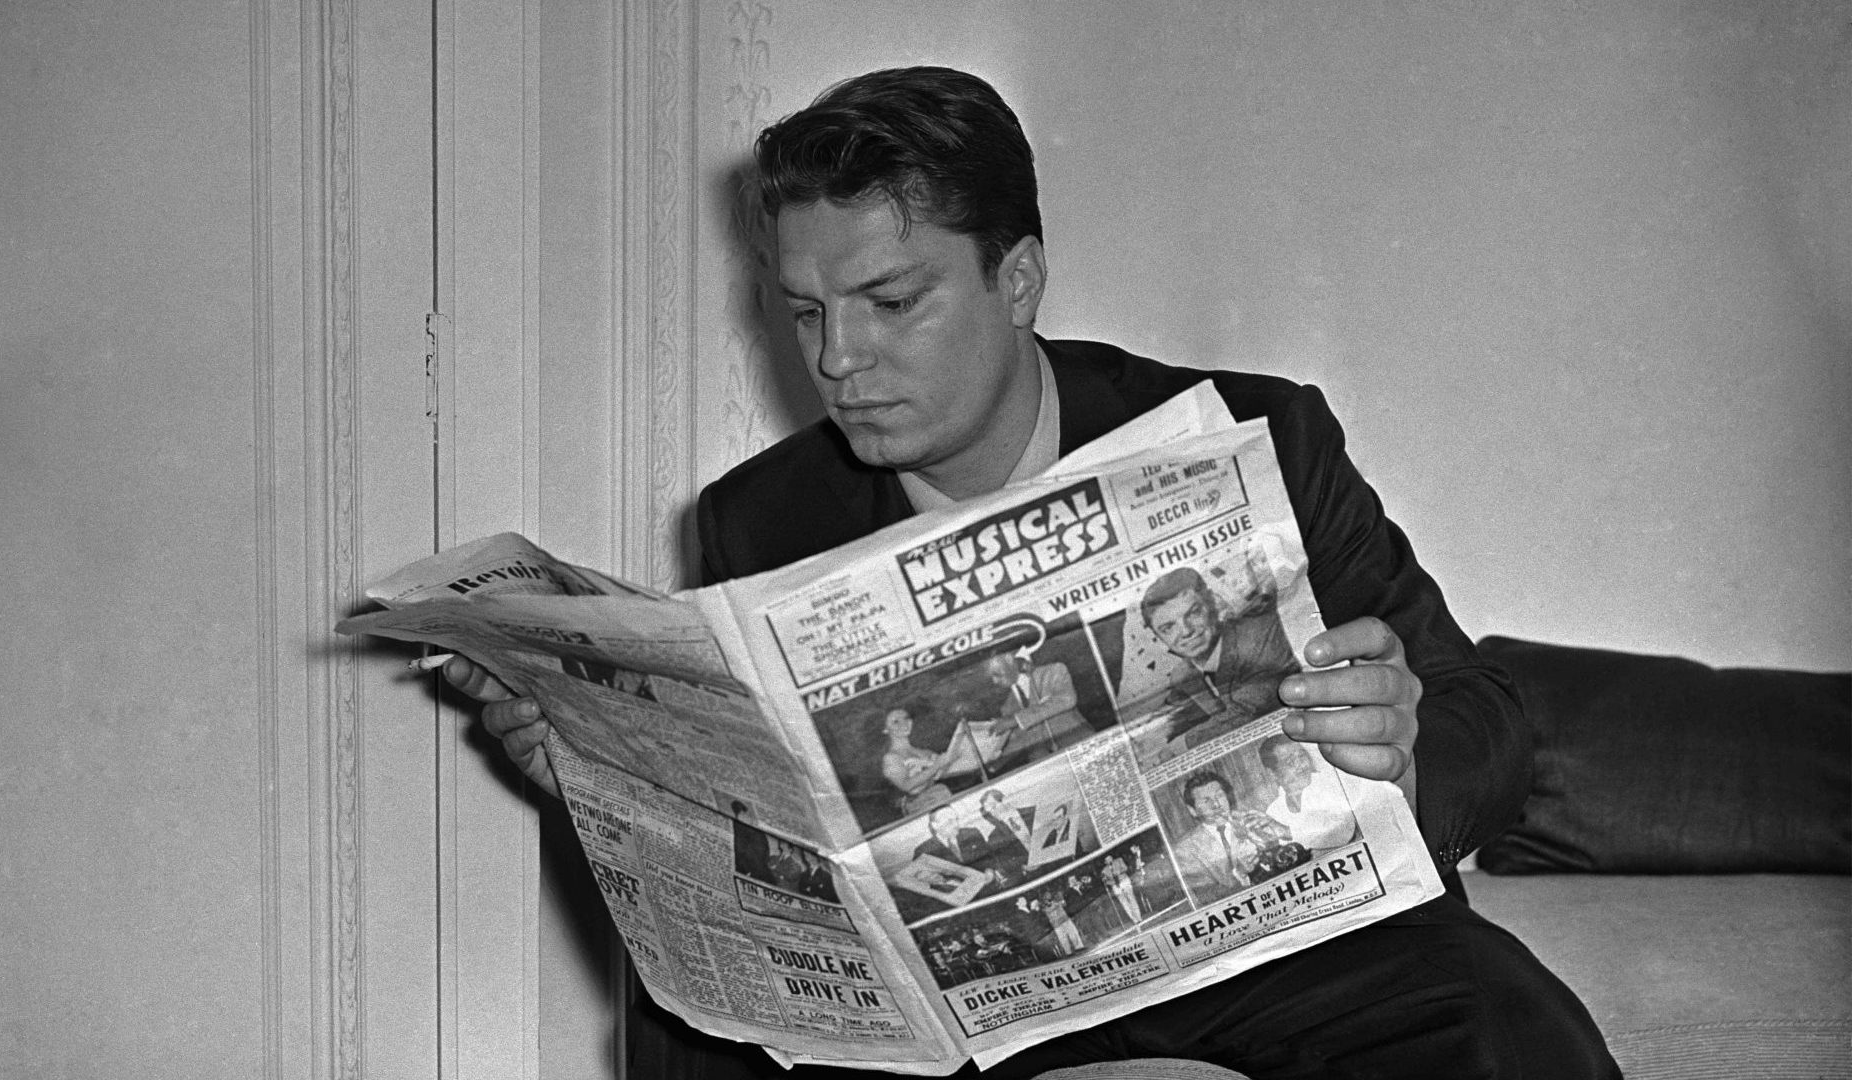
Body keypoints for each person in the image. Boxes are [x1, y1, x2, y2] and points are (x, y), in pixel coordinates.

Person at [447, 65, 1615, 1079]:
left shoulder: (1249, 433)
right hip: (968, 1000)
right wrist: (612, 777)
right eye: (803, 313)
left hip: (1260, 945)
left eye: (891, 302)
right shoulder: (763, 517)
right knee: (687, 1033)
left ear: (1016, 281)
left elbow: (1491, 722)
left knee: (1503, 1023)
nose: (838, 360)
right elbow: (775, 835)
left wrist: (1403, 749)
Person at [1137, 565, 1300, 731]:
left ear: (1212, 603)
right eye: (1168, 628)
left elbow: (1248, 712)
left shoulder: (1259, 635)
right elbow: (1171, 720)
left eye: (1194, 613)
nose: (1186, 631)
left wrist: (1181, 744)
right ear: (1159, 637)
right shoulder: (1183, 674)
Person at [1171, 769, 1296, 902]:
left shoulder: (1253, 819)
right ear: (1193, 810)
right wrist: (1240, 875)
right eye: (1206, 801)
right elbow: (1204, 896)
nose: (1216, 805)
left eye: (1219, 796)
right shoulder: (1185, 849)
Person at [980, 650, 1091, 762]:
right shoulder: (1007, 708)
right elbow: (1020, 742)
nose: (995, 681)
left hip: (1082, 752)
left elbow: (1067, 699)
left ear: (1009, 658)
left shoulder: (1054, 671)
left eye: (997, 674)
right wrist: (994, 760)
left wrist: (1016, 720)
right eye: (991, 678)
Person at [1257, 732, 1358, 851]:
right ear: (1273, 774)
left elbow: (1344, 831)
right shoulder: (1274, 811)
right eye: (1290, 761)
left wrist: (1288, 832)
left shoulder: (1330, 783)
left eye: (1301, 756)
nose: (1301, 765)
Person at [878, 707, 953, 815]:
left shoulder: (924, 752)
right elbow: (906, 785)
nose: (903, 724)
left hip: (942, 797)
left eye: (906, 718)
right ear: (885, 729)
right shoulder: (891, 758)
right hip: (922, 808)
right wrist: (936, 766)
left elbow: (947, 769)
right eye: (895, 722)